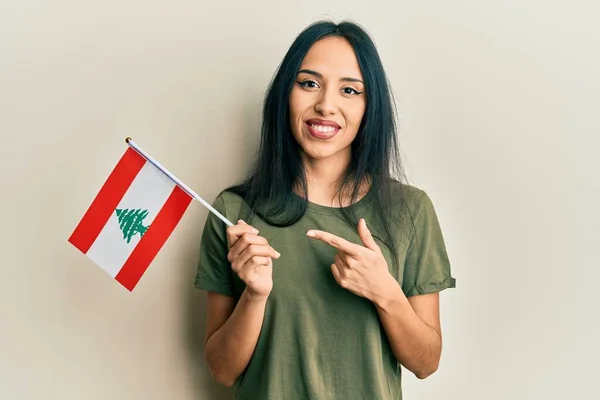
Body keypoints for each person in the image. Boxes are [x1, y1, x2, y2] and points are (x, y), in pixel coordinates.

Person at [194, 19, 456, 400]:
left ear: (370, 107)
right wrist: (254, 295)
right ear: (286, 93)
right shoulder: (235, 212)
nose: (326, 105)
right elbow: (221, 370)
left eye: (349, 90)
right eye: (309, 83)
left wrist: (385, 292)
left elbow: (425, 362)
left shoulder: (410, 210)